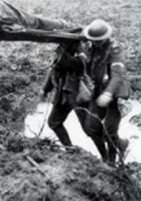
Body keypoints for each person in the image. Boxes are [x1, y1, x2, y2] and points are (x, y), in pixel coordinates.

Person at [82, 19, 130, 166]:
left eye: (98, 41)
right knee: (91, 126)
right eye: (93, 40)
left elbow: (117, 75)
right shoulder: (92, 48)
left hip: (116, 94)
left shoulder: (115, 49)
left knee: (110, 130)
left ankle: (111, 162)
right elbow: (90, 70)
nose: (95, 43)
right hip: (99, 90)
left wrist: (108, 94)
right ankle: (117, 146)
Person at [40, 40, 89, 147]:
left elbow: (71, 64)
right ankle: (69, 148)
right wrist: (46, 89)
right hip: (63, 97)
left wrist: (62, 52)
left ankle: (116, 146)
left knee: (89, 129)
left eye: (64, 44)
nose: (61, 46)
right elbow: (55, 71)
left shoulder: (80, 57)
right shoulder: (62, 56)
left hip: (77, 96)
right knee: (54, 122)